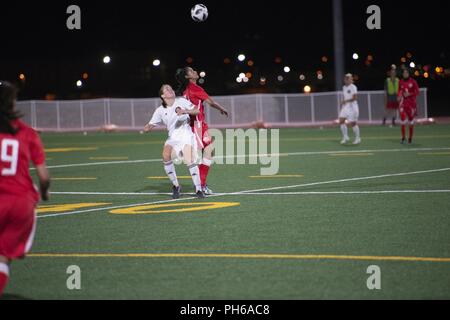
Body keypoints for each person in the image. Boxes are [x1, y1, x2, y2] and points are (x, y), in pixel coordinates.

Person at [0, 81, 50, 296]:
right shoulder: (28, 133)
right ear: (12, 102)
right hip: (21, 202)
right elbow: (43, 176)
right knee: (3, 258)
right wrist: (45, 192)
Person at [144, 84, 205, 199]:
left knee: (189, 159)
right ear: (162, 95)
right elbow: (151, 124)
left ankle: (198, 189)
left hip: (186, 135)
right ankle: (176, 186)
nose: (170, 89)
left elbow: (197, 111)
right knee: (165, 155)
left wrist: (185, 111)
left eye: (170, 88)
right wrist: (147, 127)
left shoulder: (181, 101)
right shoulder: (160, 110)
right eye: (166, 89)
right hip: (173, 137)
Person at [175, 67, 229, 195]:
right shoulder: (195, 89)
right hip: (197, 125)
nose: (195, 72)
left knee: (205, 151)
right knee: (208, 151)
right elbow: (211, 102)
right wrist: (221, 108)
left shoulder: (184, 90)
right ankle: (201, 184)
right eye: (192, 71)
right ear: (188, 77)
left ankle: (200, 183)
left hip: (190, 125)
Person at [398, 68, 419, 144]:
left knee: (411, 121)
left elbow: (417, 92)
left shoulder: (413, 82)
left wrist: (409, 94)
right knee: (403, 120)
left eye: (406, 73)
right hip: (403, 103)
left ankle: (410, 138)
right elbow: (399, 91)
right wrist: (399, 96)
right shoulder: (400, 82)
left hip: (411, 105)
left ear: (409, 74)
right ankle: (403, 138)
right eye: (404, 73)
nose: (405, 74)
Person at [339, 74, 361, 145]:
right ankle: (345, 137)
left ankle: (358, 138)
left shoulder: (353, 87)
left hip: (352, 107)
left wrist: (345, 101)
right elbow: (345, 96)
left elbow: (355, 98)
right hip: (345, 107)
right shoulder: (344, 87)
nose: (345, 80)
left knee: (353, 123)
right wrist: (343, 102)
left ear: (349, 79)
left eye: (347, 78)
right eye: (345, 78)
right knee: (341, 120)